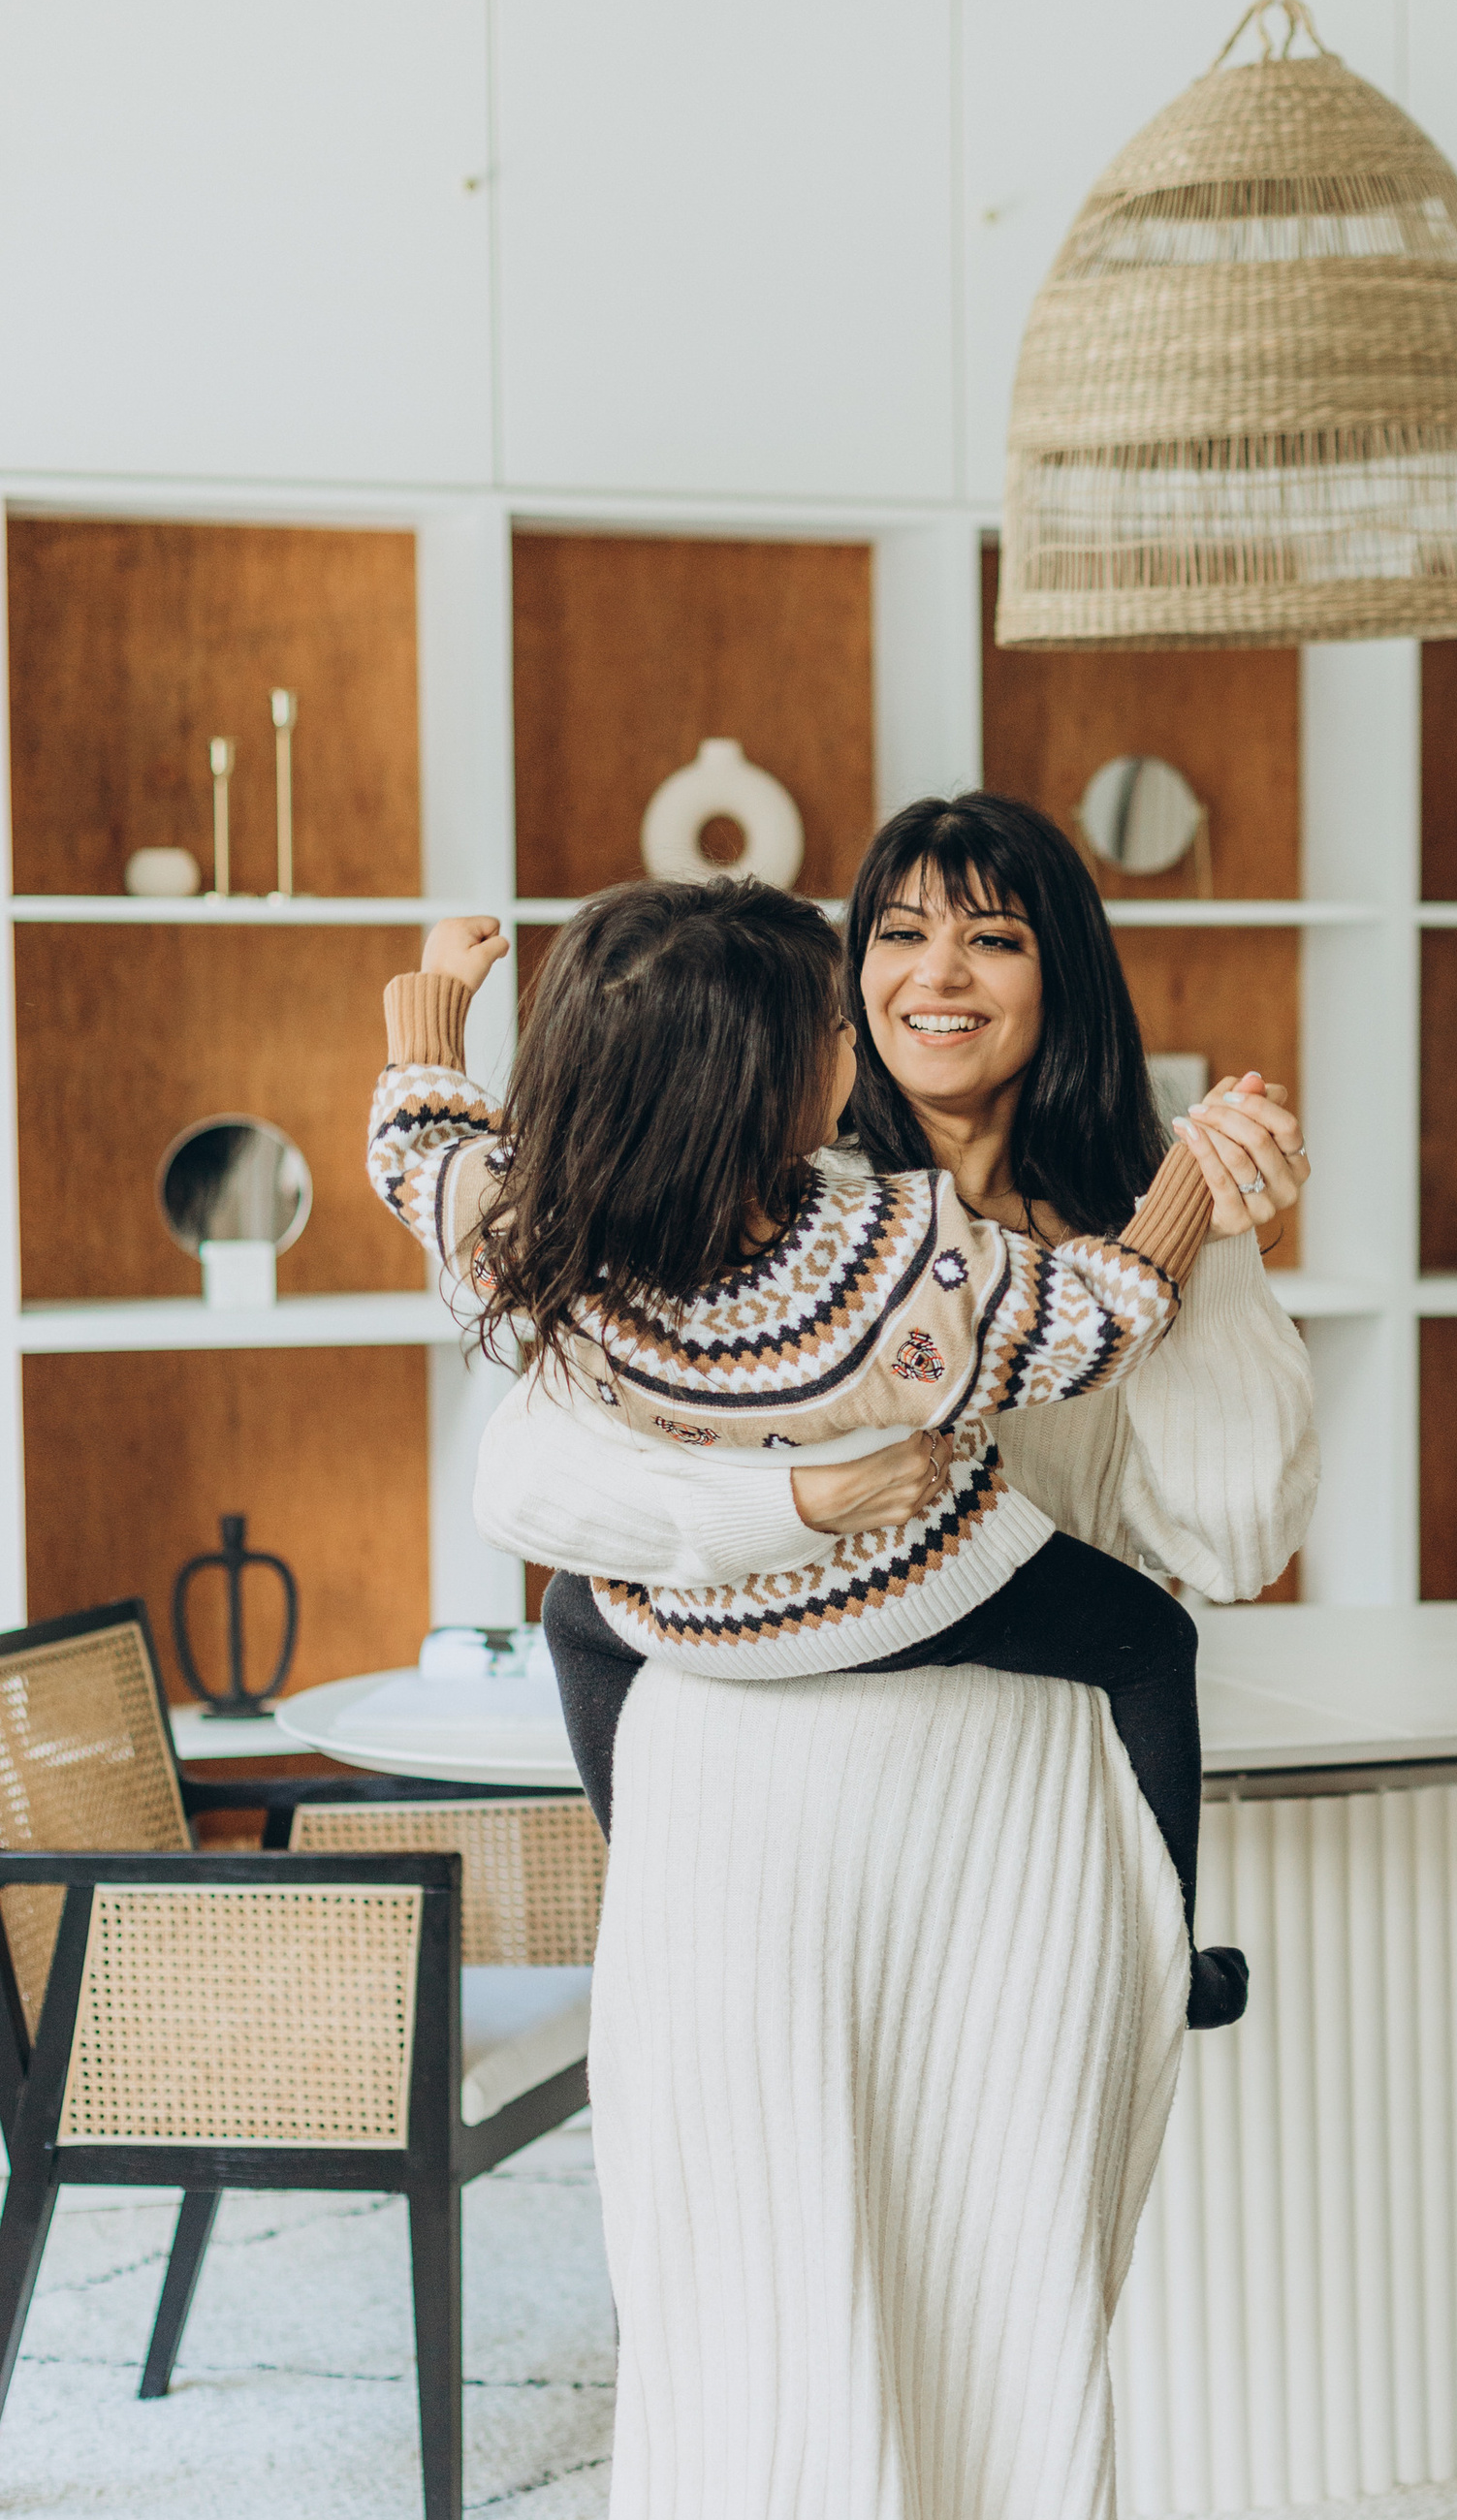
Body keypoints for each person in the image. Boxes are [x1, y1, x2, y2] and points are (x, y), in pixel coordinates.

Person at [465, 796, 1316, 2520]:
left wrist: (1203, 1244)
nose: (934, 976)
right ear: (816, 1006)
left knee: (1008, 2339)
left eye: (991, 936)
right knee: (738, 2351)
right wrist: (808, 1495)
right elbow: (546, 1504)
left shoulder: (1098, 1211)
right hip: (750, 1819)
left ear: (1065, 977)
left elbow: (1220, 1539)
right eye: (894, 937)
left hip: (1016, 1816)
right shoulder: (670, 1211)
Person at [367, 867, 1269, 2024]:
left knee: (573, 1620)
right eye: (833, 1028)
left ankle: (637, 1876)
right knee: (1148, 1643)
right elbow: (1107, 1321)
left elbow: (416, 1139)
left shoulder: (531, 1220)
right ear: (765, 1089)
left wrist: (437, 993)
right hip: (909, 1592)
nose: (855, 1037)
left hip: (686, 1616)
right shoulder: (887, 1253)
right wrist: (1192, 1172)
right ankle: (1176, 1956)